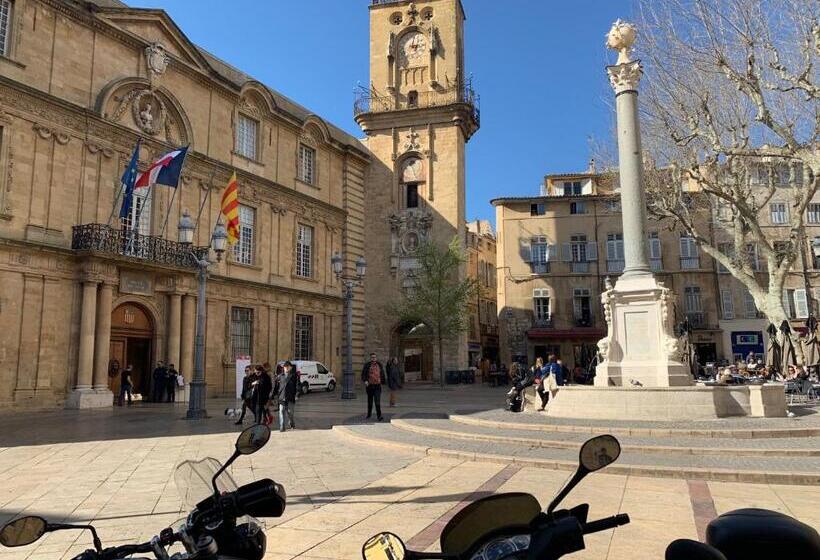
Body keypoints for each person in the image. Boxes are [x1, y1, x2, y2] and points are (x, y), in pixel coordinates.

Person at [361, 353, 385, 421]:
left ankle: (379, 416)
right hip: (370, 386)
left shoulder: (379, 365)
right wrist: (365, 381)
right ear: (370, 358)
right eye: (372, 357)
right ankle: (369, 414)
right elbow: (363, 374)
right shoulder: (367, 365)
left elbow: (382, 373)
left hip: (377, 386)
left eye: (374, 357)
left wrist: (382, 380)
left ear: (376, 358)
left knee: (377, 401)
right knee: (370, 401)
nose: (373, 359)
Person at [276, 361, 298, 432]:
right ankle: (282, 426)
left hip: (290, 397)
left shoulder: (294, 376)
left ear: (291, 367)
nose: (286, 368)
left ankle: (291, 423)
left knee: (290, 413)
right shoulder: (280, 376)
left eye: (288, 367)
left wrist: (296, 395)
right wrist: (273, 395)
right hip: (282, 397)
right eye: (285, 367)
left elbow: (298, 386)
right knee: (281, 411)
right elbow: (277, 386)